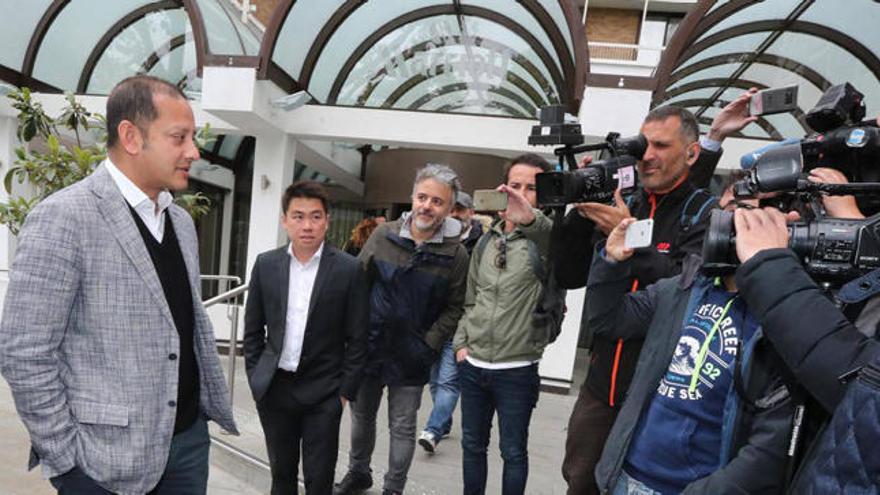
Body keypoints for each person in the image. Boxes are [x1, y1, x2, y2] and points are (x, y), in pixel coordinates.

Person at [0, 75, 237, 494]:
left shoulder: (179, 221)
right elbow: (24, 352)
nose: (193, 152)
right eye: (179, 137)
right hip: (103, 462)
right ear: (131, 136)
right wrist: (67, 463)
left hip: (186, 447)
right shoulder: (64, 217)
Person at [557, 92, 759, 495]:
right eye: (641, 144)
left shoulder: (708, 214)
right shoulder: (624, 198)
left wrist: (629, 236)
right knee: (580, 483)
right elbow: (568, 275)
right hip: (601, 384)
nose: (646, 155)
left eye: (661, 146)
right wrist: (579, 215)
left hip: (658, 393)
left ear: (691, 154)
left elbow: (686, 286)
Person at [586, 178, 796, 494]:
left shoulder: (786, 314)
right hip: (627, 477)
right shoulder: (682, 288)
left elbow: (770, 443)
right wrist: (612, 262)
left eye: (750, 214)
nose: (734, 224)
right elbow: (608, 320)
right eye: (730, 209)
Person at [335, 164, 469, 495]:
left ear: (450, 208)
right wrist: (353, 336)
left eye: (437, 201)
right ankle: (358, 472)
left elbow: (456, 306)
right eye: (422, 197)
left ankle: (393, 488)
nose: (427, 205)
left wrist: (429, 344)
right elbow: (358, 285)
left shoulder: (456, 253)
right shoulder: (384, 235)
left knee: (403, 426)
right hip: (370, 346)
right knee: (361, 418)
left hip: (412, 354)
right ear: (412, 197)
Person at [243, 181, 369, 494]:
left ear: (327, 220)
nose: (307, 225)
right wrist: (258, 378)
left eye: (315, 217)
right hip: (276, 390)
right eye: (298, 217)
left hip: (325, 392)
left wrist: (344, 394)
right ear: (284, 220)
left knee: (319, 479)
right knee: (281, 477)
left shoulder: (349, 270)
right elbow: (252, 330)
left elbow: (359, 338)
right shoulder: (266, 265)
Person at [452, 153, 554, 495]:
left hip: (517, 369)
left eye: (531, 188)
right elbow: (471, 299)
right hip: (473, 364)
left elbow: (550, 235)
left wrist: (530, 219)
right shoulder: (484, 241)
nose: (521, 194)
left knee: (512, 452)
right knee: (472, 446)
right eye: (514, 185)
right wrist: (461, 345)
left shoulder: (547, 240)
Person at [417, 190, 485, 454]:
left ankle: (433, 430)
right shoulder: (436, 238)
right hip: (435, 324)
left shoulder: (482, 242)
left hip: (460, 325)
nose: (455, 214)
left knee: (447, 382)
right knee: (435, 383)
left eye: (461, 210)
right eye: (452, 210)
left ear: (470, 213)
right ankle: (442, 423)